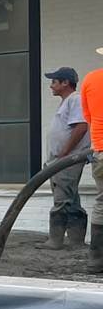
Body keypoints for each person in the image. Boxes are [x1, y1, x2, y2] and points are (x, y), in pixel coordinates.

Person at [40, 68, 89, 250]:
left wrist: (64, 154)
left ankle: (56, 240)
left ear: (65, 83)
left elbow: (81, 126)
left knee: (62, 198)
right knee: (71, 199)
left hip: (67, 160)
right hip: (61, 160)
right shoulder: (67, 102)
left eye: (54, 82)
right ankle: (76, 240)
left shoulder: (75, 99)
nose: (51, 86)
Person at [78, 68, 103, 272]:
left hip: (100, 150)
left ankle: (96, 259)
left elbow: (88, 116)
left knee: (102, 201)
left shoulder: (91, 78)